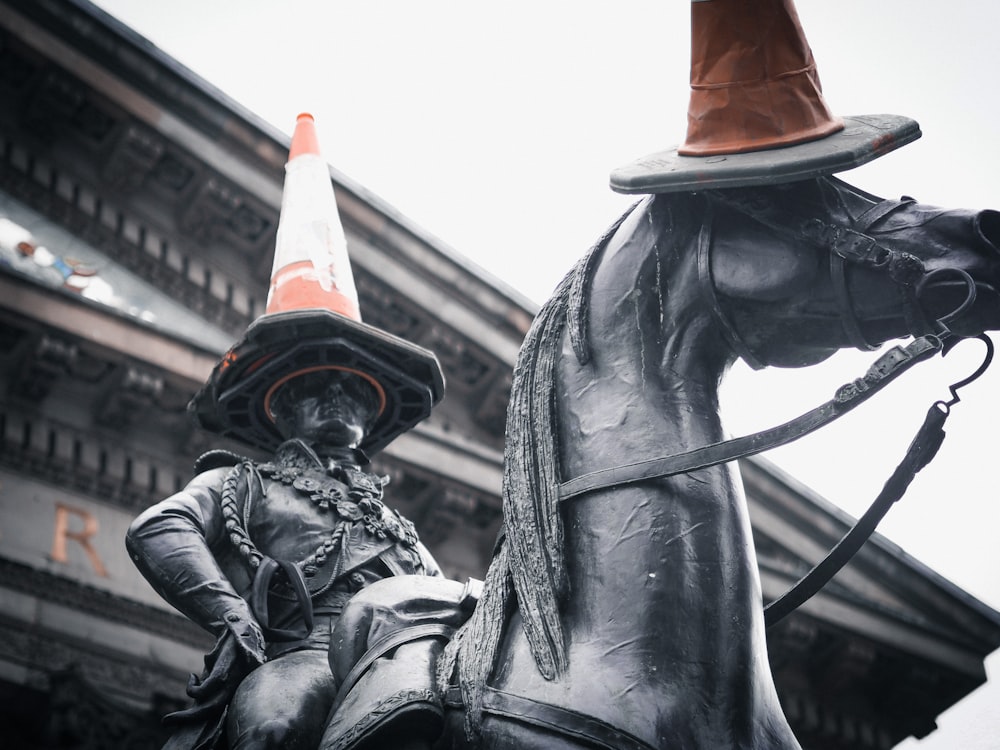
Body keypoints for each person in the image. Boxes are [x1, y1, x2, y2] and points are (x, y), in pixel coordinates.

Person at [127, 367, 441, 750]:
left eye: (356, 390)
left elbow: (447, 609)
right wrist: (233, 615)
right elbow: (158, 526)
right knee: (275, 729)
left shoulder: (400, 528)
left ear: (370, 418)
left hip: (403, 667)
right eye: (314, 385)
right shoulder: (247, 482)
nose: (337, 393)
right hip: (306, 657)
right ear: (282, 408)